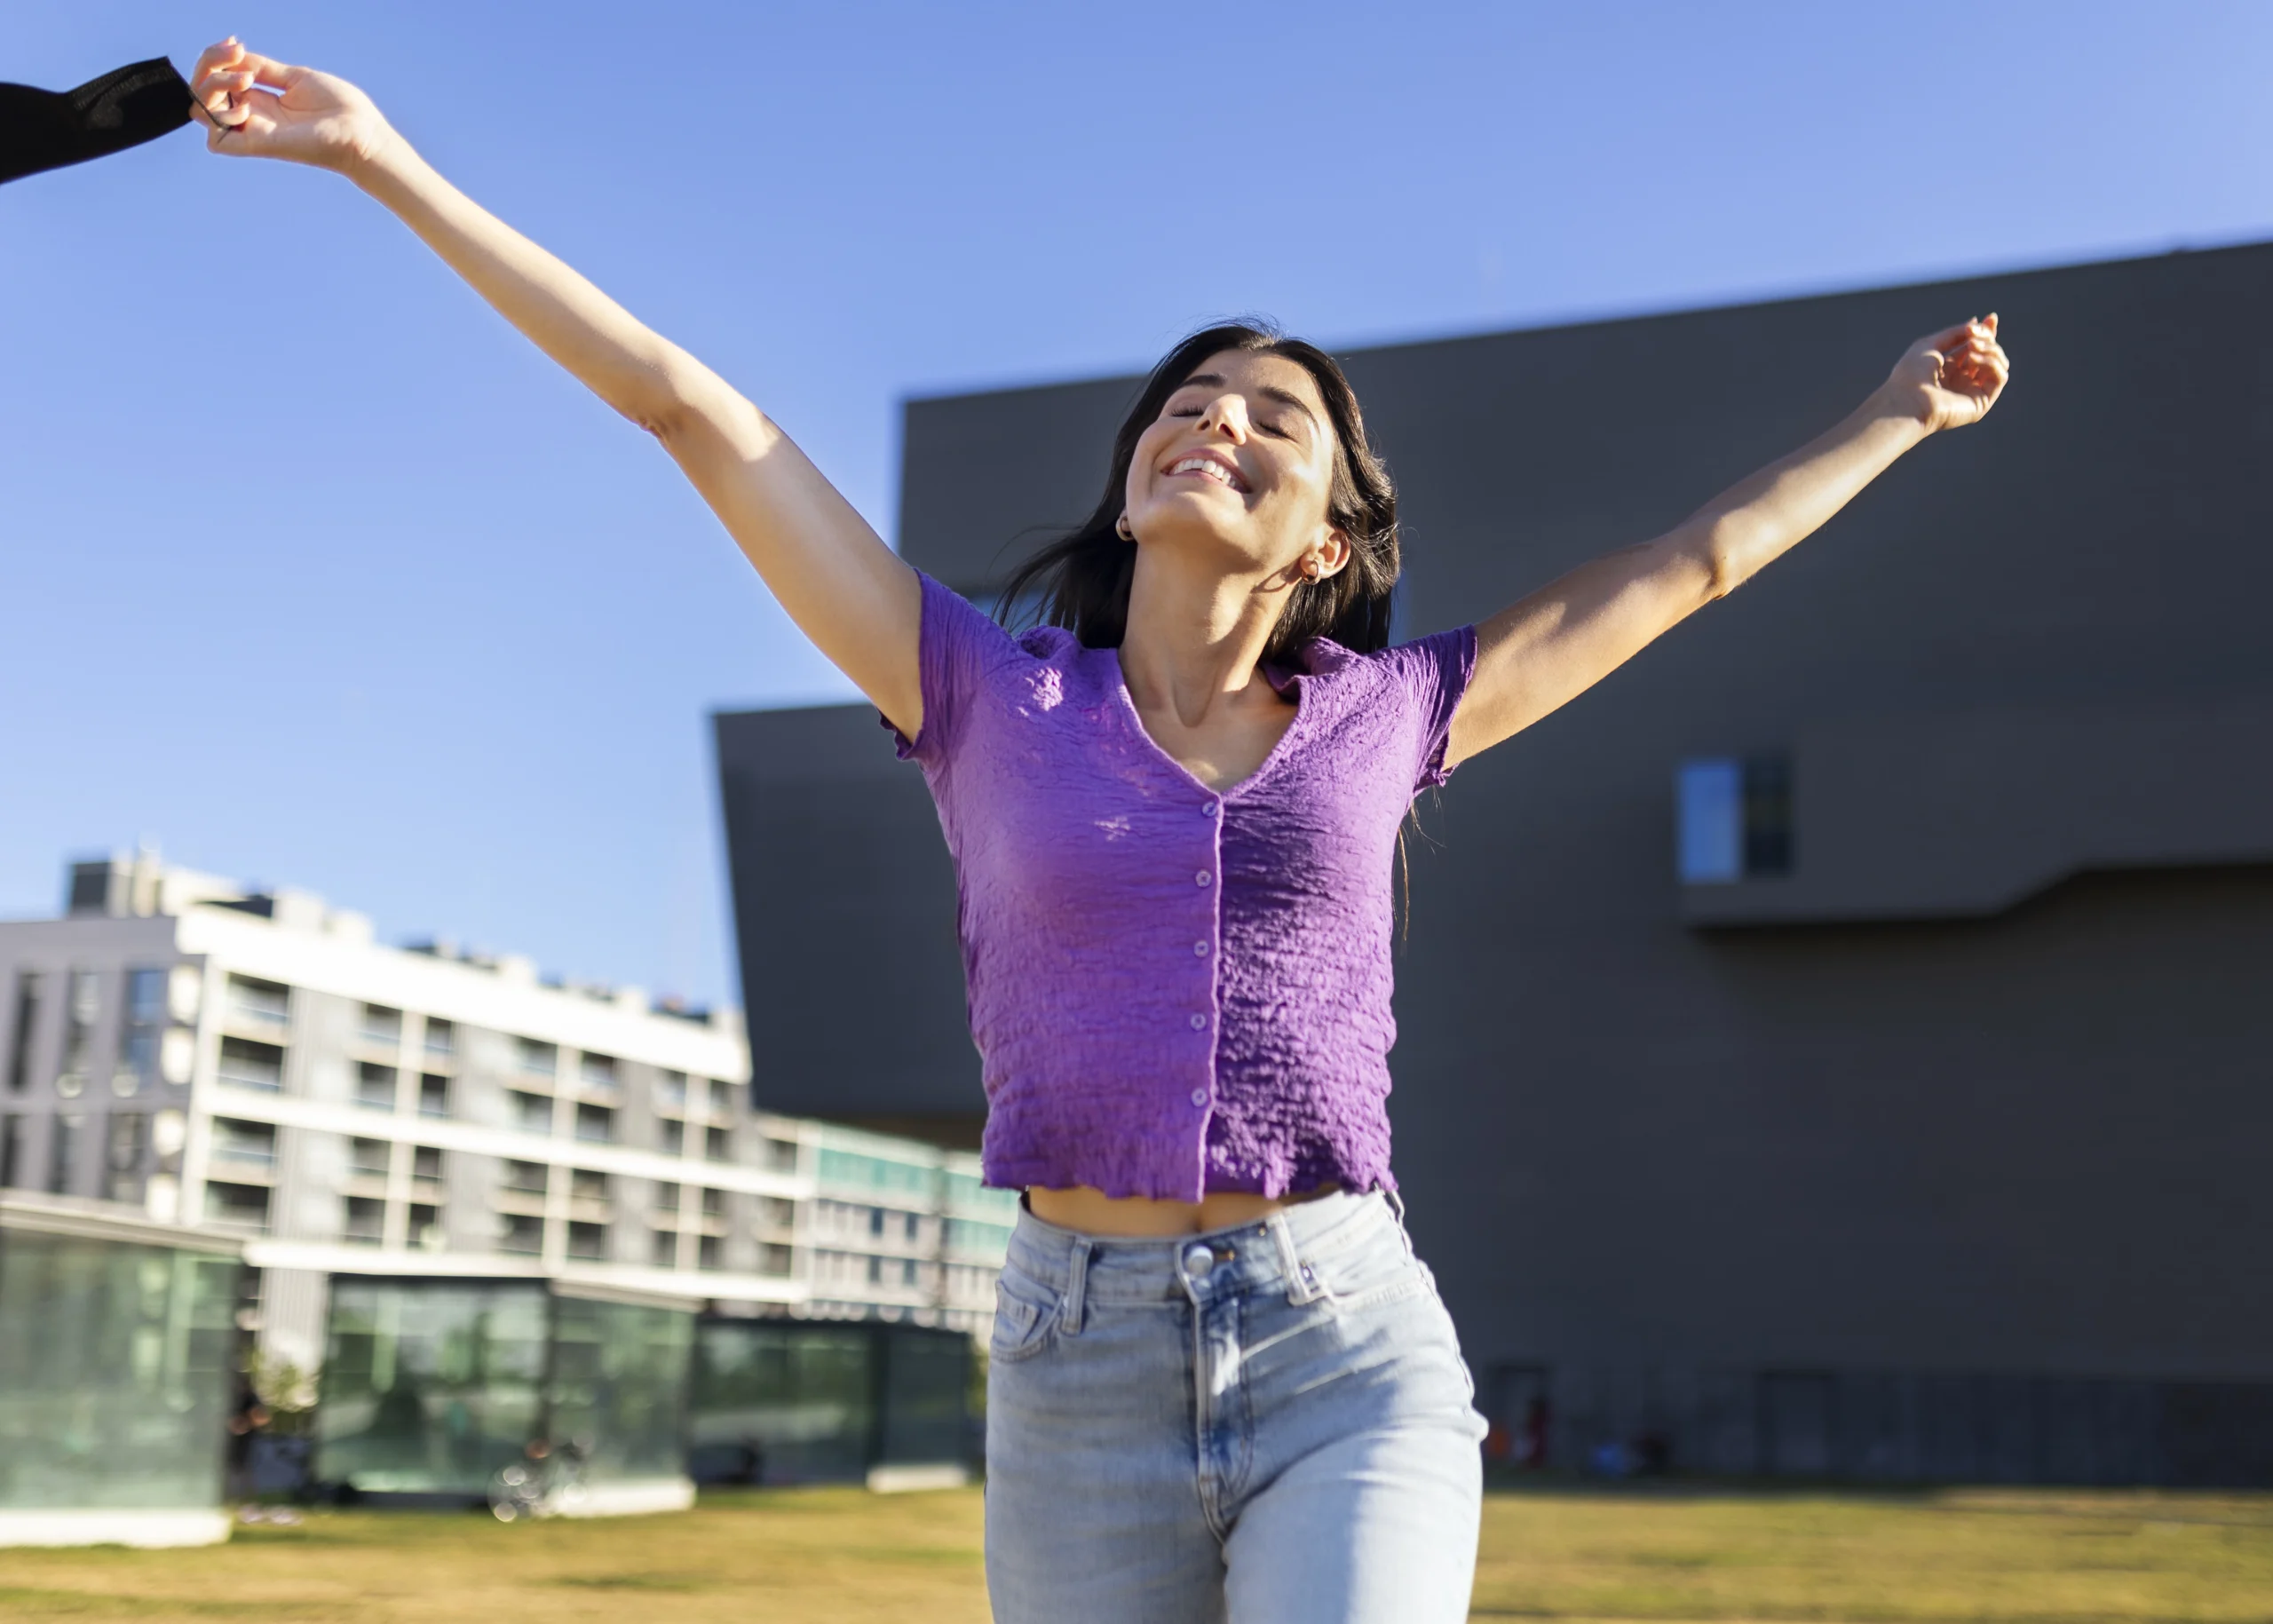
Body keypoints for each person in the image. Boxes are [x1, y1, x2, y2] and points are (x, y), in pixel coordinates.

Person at [183, 38, 2010, 1621]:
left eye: (1270, 417)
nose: (1210, 417)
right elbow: (694, 413)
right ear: (1134, 480)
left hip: (1339, 1336)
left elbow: (1685, 570)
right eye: (1185, 401)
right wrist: (379, 160)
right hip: (1071, 1361)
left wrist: (1890, 416)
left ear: (1322, 537)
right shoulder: (977, 691)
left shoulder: (1395, 715)